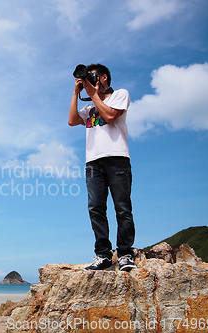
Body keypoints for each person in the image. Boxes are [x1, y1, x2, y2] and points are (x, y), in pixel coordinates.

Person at [68, 63, 136, 272]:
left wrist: (94, 94)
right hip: (93, 162)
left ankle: (124, 254)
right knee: (96, 209)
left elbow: (110, 117)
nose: (90, 80)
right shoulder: (88, 108)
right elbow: (71, 120)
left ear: (104, 78)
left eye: (93, 77)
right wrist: (76, 92)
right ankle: (103, 255)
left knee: (122, 208)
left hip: (117, 159)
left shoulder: (120, 95)